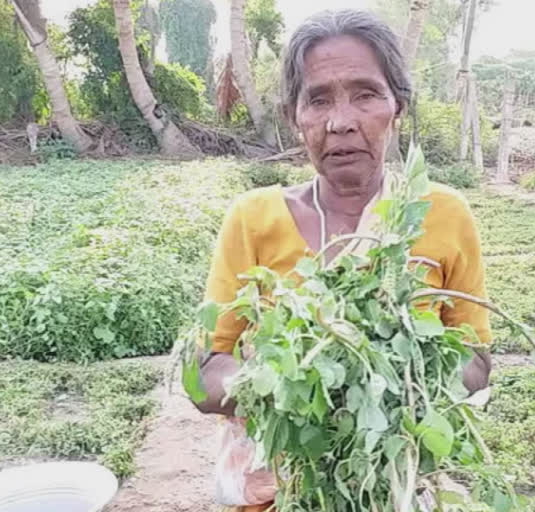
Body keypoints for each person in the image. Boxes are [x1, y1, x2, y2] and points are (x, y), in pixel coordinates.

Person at [193, 10, 493, 512]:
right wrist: (288, 380)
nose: (341, 121)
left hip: (393, 482)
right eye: (318, 99)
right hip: (275, 492)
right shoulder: (253, 218)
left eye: (365, 94)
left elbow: (476, 364)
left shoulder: (443, 215)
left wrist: (392, 376)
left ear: (396, 105)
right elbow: (205, 376)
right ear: (296, 116)